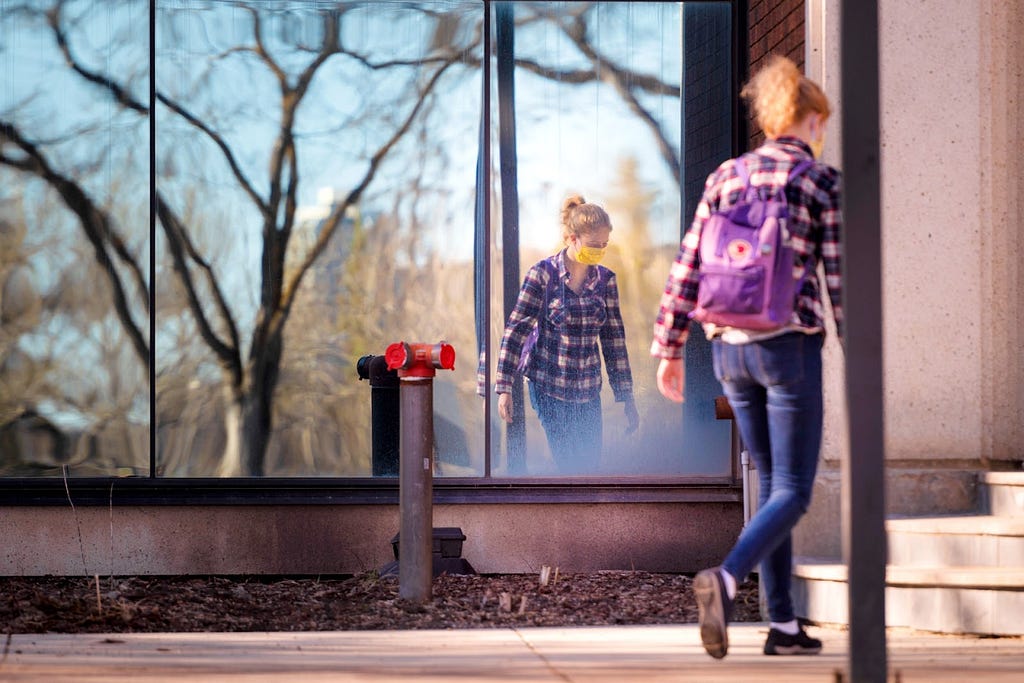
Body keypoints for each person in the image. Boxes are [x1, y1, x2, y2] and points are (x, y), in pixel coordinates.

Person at [650, 55, 842, 658]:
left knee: (773, 490)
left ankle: (783, 625)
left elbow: (689, 263)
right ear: (808, 118)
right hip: (787, 347)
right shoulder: (818, 180)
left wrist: (669, 345)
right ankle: (728, 580)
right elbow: (840, 277)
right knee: (793, 489)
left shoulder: (725, 176)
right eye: (821, 123)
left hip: (729, 350)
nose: (822, 134)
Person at [493, 194, 639, 473]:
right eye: (593, 245)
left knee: (589, 468)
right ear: (572, 239)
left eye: (604, 245)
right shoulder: (543, 275)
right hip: (549, 385)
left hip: (587, 389)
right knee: (569, 466)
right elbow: (516, 330)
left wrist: (626, 395)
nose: (599, 251)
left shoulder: (606, 280)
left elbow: (614, 341)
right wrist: (504, 387)